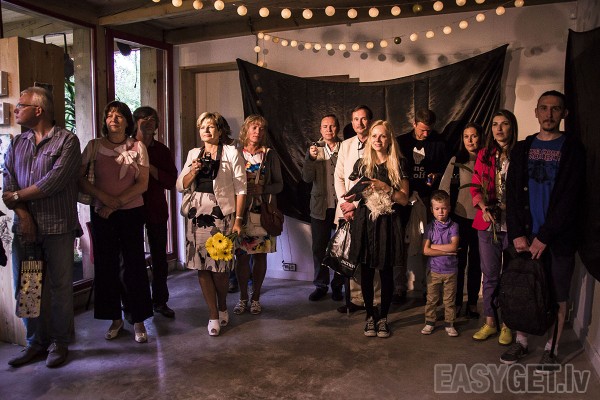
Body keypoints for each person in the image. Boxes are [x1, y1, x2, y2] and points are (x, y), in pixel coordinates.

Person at [500, 91, 585, 373]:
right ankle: (521, 342)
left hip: (557, 240)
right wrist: (516, 233)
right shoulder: (522, 149)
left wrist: (545, 236)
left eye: (555, 109)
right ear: (536, 112)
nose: (549, 114)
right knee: (522, 291)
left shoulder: (573, 149)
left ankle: (552, 348)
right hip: (524, 238)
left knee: (558, 295)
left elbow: (570, 198)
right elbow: (512, 195)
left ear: (564, 114)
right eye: (544, 108)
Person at [3, 87, 81, 368]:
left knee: (60, 288)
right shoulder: (17, 143)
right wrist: (23, 215)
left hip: (58, 227)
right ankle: (35, 342)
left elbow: (53, 182)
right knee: (28, 286)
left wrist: (17, 196)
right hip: (26, 229)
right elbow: (7, 183)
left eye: (20, 105)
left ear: (38, 110)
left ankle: (60, 342)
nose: (15, 109)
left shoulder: (67, 141)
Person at [79, 101, 152, 344]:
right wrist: (104, 199)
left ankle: (138, 319)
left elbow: (142, 184)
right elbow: (80, 179)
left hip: (131, 212)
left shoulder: (138, 147)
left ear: (127, 121)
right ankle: (115, 319)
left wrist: (115, 203)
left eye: (119, 115)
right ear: (104, 120)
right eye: (110, 115)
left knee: (134, 265)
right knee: (106, 266)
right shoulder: (94, 146)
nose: (114, 119)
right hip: (101, 213)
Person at [177, 112, 246, 336]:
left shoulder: (231, 152)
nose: (206, 130)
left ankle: (223, 304)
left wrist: (238, 220)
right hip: (197, 214)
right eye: (202, 127)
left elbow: (241, 189)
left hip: (221, 214)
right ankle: (213, 314)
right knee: (202, 267)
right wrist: (193, 171)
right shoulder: (193, 153)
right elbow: (180, 185)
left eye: (211, 126)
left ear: (220, 130)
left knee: (220, 269)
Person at [344, 120, 409, 337]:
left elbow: (404, 199)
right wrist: (351, 199)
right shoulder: (362, 164)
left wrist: (386, 188)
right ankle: (370, 316)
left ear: (389, 139)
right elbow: (356, 194)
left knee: (386, 270)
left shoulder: (399, 164)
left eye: (382, 136)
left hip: (387, 222)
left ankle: (383, 318)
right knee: (366, 270)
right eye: (374, 136)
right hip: (365, 221)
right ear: (369, 139)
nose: (378, 140)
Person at [470, 110, 518, 345]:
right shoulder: (485, 154)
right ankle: (490, 321)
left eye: (504, 124)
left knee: (510, 276)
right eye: (495, 124)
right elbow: (475, 186)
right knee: (489, 275)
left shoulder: (520, 154)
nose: (499, 129)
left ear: (512, 127)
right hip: (487, 223)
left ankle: (508, 323)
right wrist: (483, 207)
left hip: (513, 225)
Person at [396, 109, 448, 303]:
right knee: (401, 242)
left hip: (428, 199)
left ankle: (430, 288)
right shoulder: (401, 142)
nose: (425, 134)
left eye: (429, 130)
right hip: (404, 198)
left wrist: (436, 175)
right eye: (422, 130)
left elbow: (447, 168)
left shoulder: (439, 142)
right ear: (414, 124)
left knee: (430, 242)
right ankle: (399, 287)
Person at [334, 105, 381, 314]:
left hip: (369, 208)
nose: (359, 123)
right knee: (351, 254)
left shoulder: (378, 143)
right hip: (347, 210)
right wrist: (345, 204)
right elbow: (338, 177)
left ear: (370, 121)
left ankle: (376, 299)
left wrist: (355, 204)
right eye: (355, 119)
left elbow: (375, 181)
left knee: (372, 255)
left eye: (363, 119)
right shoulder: (346, 145)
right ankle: (355, 298)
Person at [234, 115, 282, 315]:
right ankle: (242, 298)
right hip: (240, 213)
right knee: (241, 257)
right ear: (246, 129)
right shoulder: (235, 152)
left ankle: (256, 298)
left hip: (262, 213)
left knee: (260, 256)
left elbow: (279, 185)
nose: (257, 131)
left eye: (261, 128)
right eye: (254, 127)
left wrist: (263, 189)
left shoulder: (269, 155)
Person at [133, 106, 178, 318]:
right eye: (144, 119)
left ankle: (160, 301)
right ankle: (135, 303)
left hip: (156, 208)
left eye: (152, 120)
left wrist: (150, 167)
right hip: (130, 208)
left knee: (159, 257)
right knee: (132, 258)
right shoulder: (127, 147)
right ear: (135, 122)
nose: (149, 123)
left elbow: (171, 181)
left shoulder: (162, 150)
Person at [438, 123, 483, 319]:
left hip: (481, 219)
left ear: (480, 137)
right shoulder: (456, 160)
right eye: (466, 136)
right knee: (459, 263)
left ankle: (472, 303)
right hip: (460, 218)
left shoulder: (487, 160)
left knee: (476, 263)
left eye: (474, 136)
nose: (470, 140)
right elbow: (444, 189)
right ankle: (456, 303)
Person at [302, 114, 344, 301]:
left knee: (341, 248)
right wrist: (311, 159)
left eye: (332, 126)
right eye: (325, 126)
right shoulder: (314, 149)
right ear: (320, 129)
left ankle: (338, 285)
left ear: (338, 128)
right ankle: (321, 285)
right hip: (320, 207)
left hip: (341, 206)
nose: (329, 129)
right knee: (319, 249)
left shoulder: (345, 147)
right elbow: (306, 178)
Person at [420, 190, 460, 337]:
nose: (441, 212)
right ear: (432, 210)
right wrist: (446, 251)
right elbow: (425, 251)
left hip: (450, 270)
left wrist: (433, 247)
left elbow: (454, 247)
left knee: (449, 300)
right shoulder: (429, 228)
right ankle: (430, 322)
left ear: (449, 208)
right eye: (437, 208)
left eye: (443, 208)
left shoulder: (454, 226)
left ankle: (449, 324)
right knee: (431, 299)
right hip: (434, 270)